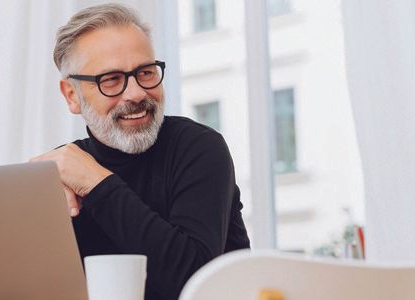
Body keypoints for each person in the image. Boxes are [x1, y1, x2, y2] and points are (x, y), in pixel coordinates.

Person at [30, 4, 250, 299]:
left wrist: (96, 183)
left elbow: (193, 282)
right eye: (111, 79)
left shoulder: (198, 148)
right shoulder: (61, 171)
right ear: (72, 95)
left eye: (145, 72)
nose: (136, 93)